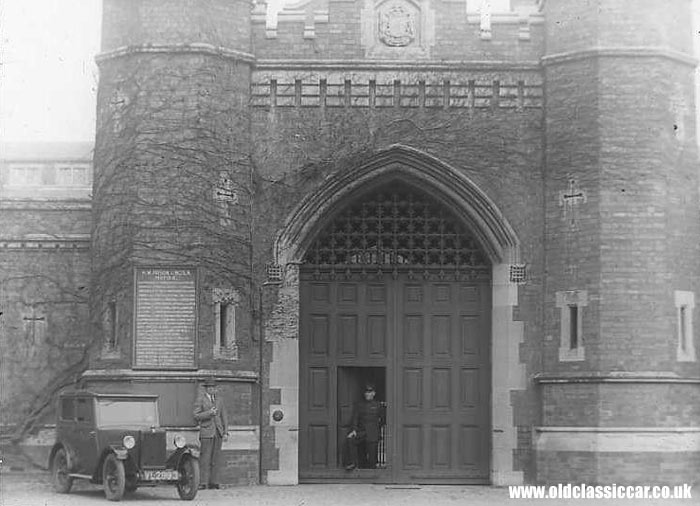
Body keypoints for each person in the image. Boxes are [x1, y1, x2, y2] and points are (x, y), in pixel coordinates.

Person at [193, 378, 228, 489]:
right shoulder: (200, 400)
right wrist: (209, 413)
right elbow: (196, 415)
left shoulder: (220, 400)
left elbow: (224, 417)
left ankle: (214, 482)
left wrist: (225, 432)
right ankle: (203, 483)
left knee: (216, 459)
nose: (212, 389)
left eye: (214, 387)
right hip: (206, 432)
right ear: (206, 389)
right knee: (205, 459)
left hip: (218, 432)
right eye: (210, 388)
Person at [345, 383, 384, 470]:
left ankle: (372, 475)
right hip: (362, 432)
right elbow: (355, 418)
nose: (367, 394)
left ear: (374, 393)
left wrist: (377, 428)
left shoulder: (378, 405)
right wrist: (354, 430)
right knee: (351, 440)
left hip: (373, 433)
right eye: (366, 392)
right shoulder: (360, 405)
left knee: (372, 459)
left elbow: (383, 419)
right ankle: (352, 463)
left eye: (369, 392)